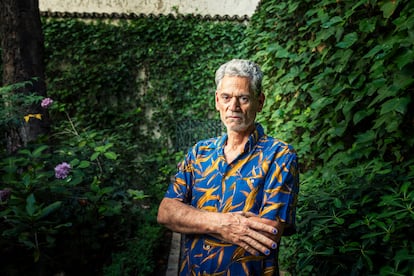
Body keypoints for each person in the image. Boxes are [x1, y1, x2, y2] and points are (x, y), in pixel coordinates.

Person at [157, 59, 299, 275]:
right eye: (226, 97)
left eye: (243, 98)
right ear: (217, 101)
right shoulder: (199, 153)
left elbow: (267, 234)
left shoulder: (280, 155)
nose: (233, 107)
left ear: (259, 102)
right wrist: (224, 224)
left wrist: (191, 217)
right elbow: (166, 212)